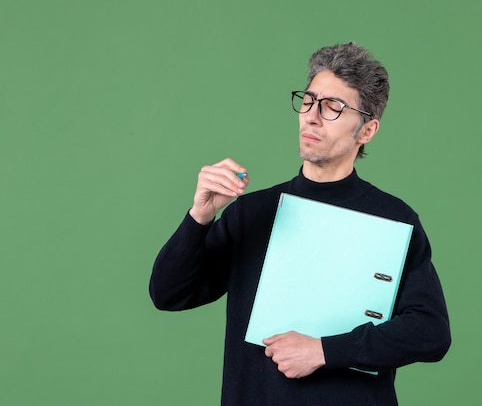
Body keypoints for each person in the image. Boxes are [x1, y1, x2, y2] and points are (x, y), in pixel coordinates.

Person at [149, 42, 451, 406]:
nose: (311, 115)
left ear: (367, 131)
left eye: (333, 107)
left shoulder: (394, 219)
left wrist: (325, 351)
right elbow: (167, 293)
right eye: (308, 101)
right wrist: (200, 216)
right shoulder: (253, 213)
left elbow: (431, 332)